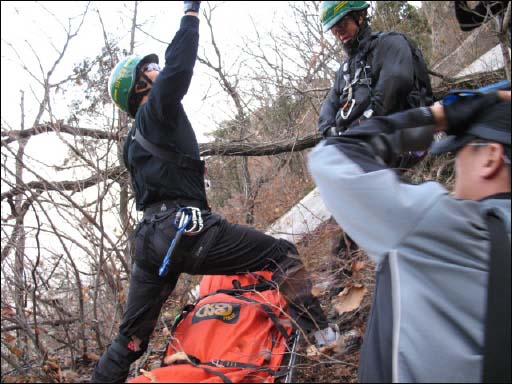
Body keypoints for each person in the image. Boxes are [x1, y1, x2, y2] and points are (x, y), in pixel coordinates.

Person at [92, 2, 334, 382]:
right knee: (280, 254)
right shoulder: (153, 112)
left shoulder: (133, 141)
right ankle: (323, 334)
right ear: (141, 86)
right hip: (186, 231)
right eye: (150, 69)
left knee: (131, 337)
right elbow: (181, 67)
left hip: (151, 241)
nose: (158, 72)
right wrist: (190, 13)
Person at [309, 88, 511, 382]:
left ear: (490, 157)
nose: (454, 168)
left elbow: (332, 156)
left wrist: (437, 116)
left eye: (461, 152)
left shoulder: (442, 224)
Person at [318, 1, 432, 141]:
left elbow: (392, 91)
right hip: (361, 144)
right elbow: (329, 105)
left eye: (343, 25)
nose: (340, 34)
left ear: (360, 16)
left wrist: (357, 131)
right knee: (321, 155)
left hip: (398, 136)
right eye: (335, 31)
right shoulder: (345, 70)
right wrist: (331, 131)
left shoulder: (391, 44)